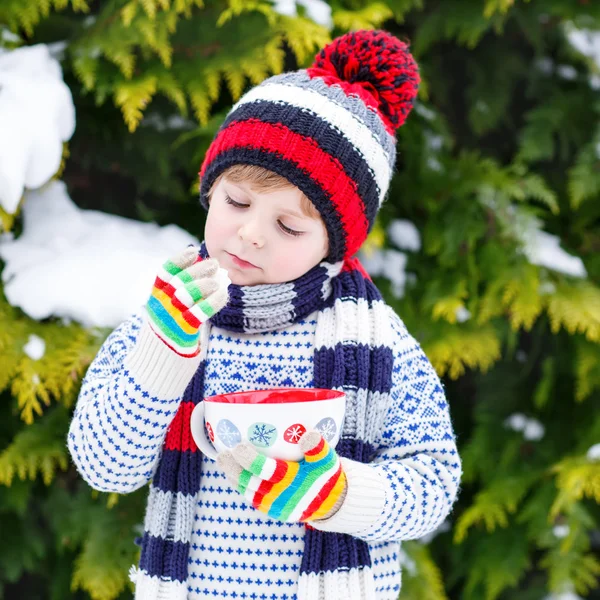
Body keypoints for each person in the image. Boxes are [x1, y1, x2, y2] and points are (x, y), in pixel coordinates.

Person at [67, 29, 462, 600]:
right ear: (211, 190)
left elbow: (432, 481)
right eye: (237, 202)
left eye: (289, 226)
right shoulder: (174, 313)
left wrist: (341, 494)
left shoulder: (376, 340)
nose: (251, 235)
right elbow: (105, 467)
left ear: (335, 242)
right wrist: (163, 353)